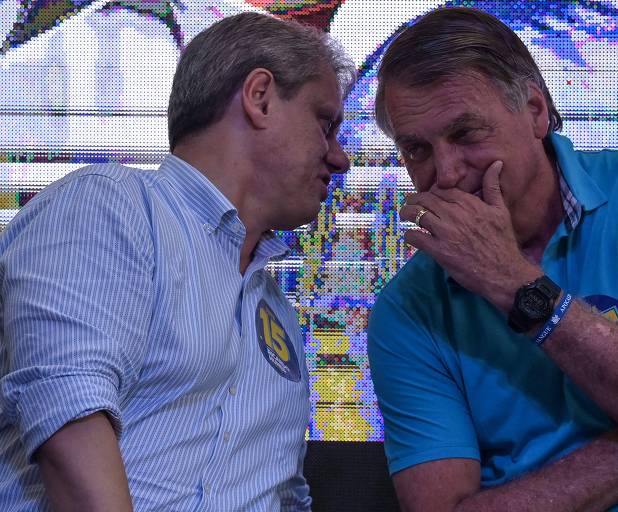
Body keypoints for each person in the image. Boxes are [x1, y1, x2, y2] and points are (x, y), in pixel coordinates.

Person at [367, 7, 618, 511]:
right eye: (417, 150)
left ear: (535, 109)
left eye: (467, 134)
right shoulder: (407, 310)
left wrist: (511, 282)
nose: (446, 173)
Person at [0, 12, 354, 511]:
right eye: (326, 124)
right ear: (260, 97)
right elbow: (67, 417)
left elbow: (285, 495)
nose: (341, 158)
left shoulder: (277, 313)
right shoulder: (112, 205)